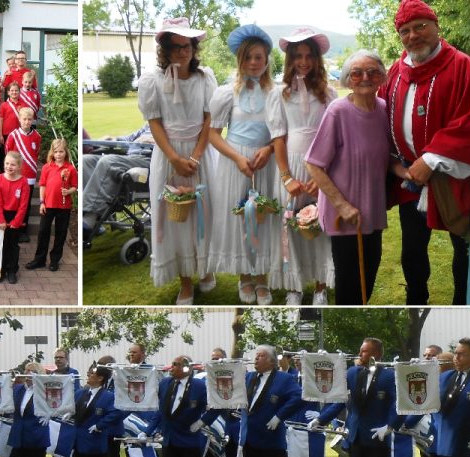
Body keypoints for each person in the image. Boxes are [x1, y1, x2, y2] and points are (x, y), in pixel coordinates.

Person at [380, 1, 470, 305]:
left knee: (463, 247)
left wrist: (431, 159)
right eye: (404, 31)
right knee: (412, 250)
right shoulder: (397, 71)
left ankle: (465, 302)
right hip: (411, 179)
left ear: (436, 27)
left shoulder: (462, 66)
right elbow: (382, 115)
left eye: (420, 26)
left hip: (454, 177)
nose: (413, 36)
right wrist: (396, 163)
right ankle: (416, 299)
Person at [137, 18, 218, 305]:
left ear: (194, 47)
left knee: (204, 215)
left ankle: (205, 269)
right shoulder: (152, 81)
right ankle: (185, 280)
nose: (183, 52)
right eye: (176, 47)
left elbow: (211, 119)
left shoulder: (205, 78)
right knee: (174, 218)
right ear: (166, 49)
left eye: (187, 46)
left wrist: (194, 156)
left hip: (201, 152)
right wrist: (174, 158)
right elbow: (154, 123)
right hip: (168, 154)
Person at [305, 50, 391, 305]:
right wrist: (342, 205)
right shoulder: (338, 111)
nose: (365, 77)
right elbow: (314, 164)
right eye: (357, 73)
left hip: (372, 210)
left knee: (369, 279)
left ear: (381, 77)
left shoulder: (383, 109)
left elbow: (384, 156)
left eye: (372, 71)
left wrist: (406, 171)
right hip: (345, 215)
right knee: (349, 285)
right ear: (347, 79)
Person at [207, 24, 281, 305]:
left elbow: (282, 133)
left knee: (263, 218)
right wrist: (237, 158)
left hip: (266, 160)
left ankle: (261, 277)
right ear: (240, 59)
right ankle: (243, 276)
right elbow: (213, 134)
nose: (253, 63)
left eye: (258, 57)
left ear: (266, 60)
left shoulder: (276, 93)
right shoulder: (227, 93)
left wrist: (268, 149)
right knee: (240, 217)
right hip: (235, 160)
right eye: (248, 57)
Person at [266, 28, 336, 306]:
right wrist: (286, 176)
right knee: (289, 225)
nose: (304, 62)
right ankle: (294, 285)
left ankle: (320, 285)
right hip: (291, 165)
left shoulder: (328, 94)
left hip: (321, 166)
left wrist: (322, 177)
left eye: (309, 56)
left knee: (321, 223)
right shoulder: (279, 94)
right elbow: (278, 137)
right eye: (298, 56)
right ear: (290, 59)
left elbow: (333, 137)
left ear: (317, 59)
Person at [147, 356, 218, 457]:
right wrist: (148, 430)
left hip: (189, 439)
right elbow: (161, 411)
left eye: (176, 365)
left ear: (187, 368)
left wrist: (201, 422)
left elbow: (215, 406)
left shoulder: (199, 386)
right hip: (170, 439)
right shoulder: (165, 384)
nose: (172, 368)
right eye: (172, 364)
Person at [75, 363, 119, 457]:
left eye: (92, 373)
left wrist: (100, 425)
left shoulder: (108, 396)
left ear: (100, 378)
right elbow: (75, 409)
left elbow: (114, 414)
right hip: (80, 439)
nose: (88, 375)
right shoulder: (82, 393)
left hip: (95, 439)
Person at [25, 139, 75, 272]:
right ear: (52, 153)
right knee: (43, 232)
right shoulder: (47, 167)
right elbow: (42, 186)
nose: (58, 154)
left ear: (66, 152)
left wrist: (68, 191)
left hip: (64, 207)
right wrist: (42, 202)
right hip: (48, 205)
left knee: (61, 233)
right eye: (56, 152)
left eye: (61, 152)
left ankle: (54, 260)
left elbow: (75, 187)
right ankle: (39, 259)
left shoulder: (70, 168)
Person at [10, 363, 51, 457]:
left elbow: (55, 405)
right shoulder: (19, 389)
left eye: (30, 371)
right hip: (21, 433)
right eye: (26, 370)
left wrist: (49, 414)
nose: (26, 373)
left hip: (36, 433)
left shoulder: (42, 390)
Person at [0, 151, 31, 284]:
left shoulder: (24, 182)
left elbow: (24, 205)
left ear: (19, 166)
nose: (9, 167)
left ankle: (11, 270)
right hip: (1, 215)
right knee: (1, 244)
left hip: (16, 217)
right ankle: (0, 269)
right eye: (7, 164)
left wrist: (17, 221)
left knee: (13, 245)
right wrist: (1, 220)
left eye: (13, 165)